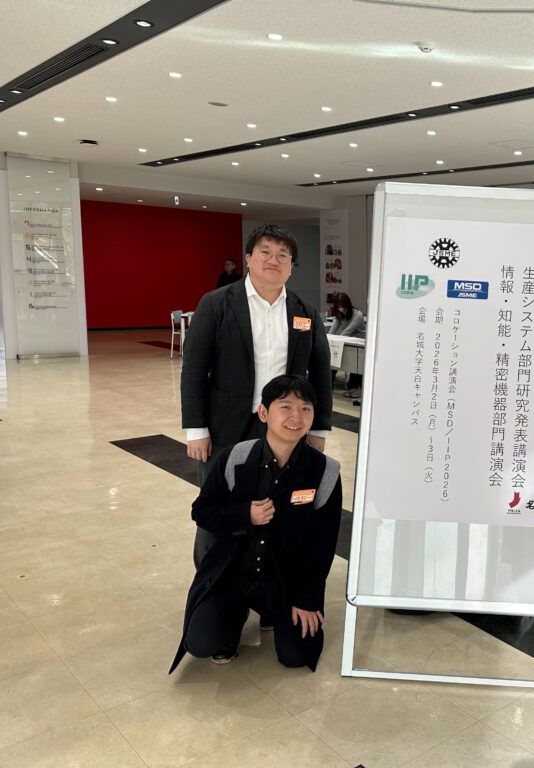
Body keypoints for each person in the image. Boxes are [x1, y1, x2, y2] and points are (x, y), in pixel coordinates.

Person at [181, 224, 333, 568]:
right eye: (265, 252)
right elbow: (194, 370)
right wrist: (196, 429)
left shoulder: (304, 312)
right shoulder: (216, 304)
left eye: (283, 255)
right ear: (248, 258)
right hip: (225, 427)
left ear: (291, 266)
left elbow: (320, 374)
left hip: (284, 429)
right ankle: (212, 583)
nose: (273, 260)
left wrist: (319, 428)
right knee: (220, 507)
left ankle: (265, 583)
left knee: (277, 506)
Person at [169, 374, 343, 672]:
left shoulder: (324, 471)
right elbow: (202, 511)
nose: (296, 417)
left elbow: (323, 544)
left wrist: (307, 598)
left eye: (305, 409)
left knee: (296, 657)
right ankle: (235, 612)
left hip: (286, 579)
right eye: (285, 407)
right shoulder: (235, 458)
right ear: (263, 413)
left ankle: (273, 611)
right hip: (234, 574)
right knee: (201, 643)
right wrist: (243, 515)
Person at [327, 292, 366, 397]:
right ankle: (328, 387)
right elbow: (332, 330)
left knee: (356, 369)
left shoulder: (357, 315)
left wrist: (335, 340)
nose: (340, 308)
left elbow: (346, 332)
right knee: (333, 362)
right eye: (338, 305)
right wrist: (327, 339)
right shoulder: (339, 315)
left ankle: (355, 388)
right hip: (347, 341)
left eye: (342, 305)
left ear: (347, 304)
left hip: (359, 345)